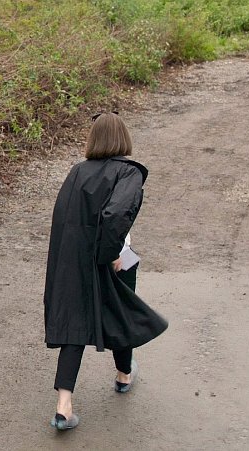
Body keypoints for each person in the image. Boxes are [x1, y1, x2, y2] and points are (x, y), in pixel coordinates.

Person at [43, 112, 168, 431]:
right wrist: (112, 254)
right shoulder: (129, 172)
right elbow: (116, 215)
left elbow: (63, 219)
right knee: (122, 312)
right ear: (123, 138)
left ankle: (63, 407)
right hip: (117, 256)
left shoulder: (77, 172)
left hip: (76, 260)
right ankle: (124, 375)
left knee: (73, 322)